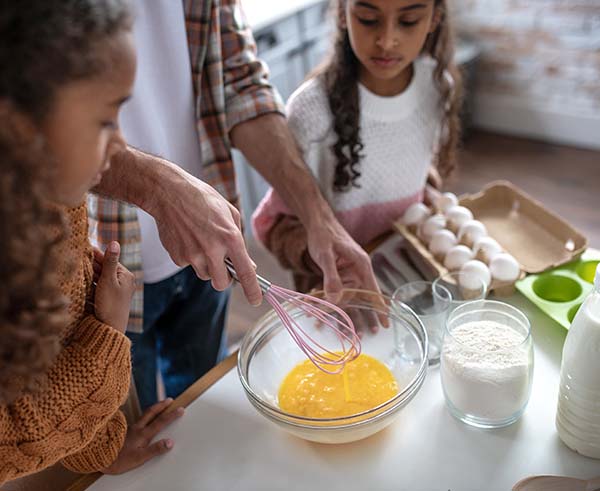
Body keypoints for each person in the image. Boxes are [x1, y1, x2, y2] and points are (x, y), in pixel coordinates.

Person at [88, 0, 382, 411]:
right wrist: (162, 189)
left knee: (201, 405)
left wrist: (319, 219)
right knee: (126, 433)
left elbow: (242, 84)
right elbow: (39, 123)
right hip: (103, 270)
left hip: (213, 255)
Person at [0, 1, 182, 483]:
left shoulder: (55, 199)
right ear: (18, 125)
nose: (122, 146)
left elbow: (59, 350)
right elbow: (13, 437)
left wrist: (101, 450)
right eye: (105, 122)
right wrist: (107, 330)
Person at [252, 0, 461, 292]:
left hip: (409, 281)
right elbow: (277, 226)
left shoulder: (438, 88)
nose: (387, 40)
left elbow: (415, 172)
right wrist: (326, 260)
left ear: (434, 19)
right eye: (367, 19)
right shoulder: (312, 109)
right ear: (342, 14)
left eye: (409, 20)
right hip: (337, 297)